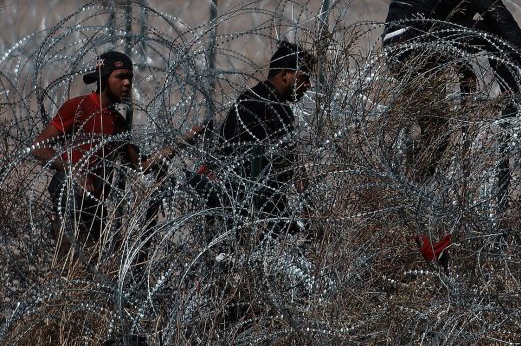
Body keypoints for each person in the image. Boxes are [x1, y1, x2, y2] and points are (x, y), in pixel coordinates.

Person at [382, 0, 521, 178]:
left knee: (437, 135)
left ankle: (409, 188)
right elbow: (499, 17)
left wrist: (462, 66)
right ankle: (511, 100)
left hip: (411, 43)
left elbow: (453, 26)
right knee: (492, 33)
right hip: (411, 42)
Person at [32, 50, 188, 252]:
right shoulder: (79, 107)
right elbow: (38, 147)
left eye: (130, 77)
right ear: (104, 78)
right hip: (69, 200)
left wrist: (184, 140)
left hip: (95, 206)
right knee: (69, 269)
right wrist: (73, 170)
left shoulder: (117, 122)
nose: (127, 83)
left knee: (91, 272)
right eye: (121, 77)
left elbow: (141, 165)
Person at [210, 41, 315, 240]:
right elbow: (292, 166)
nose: (309, 85)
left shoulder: (247, 99)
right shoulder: (277, 109)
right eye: (304, 78)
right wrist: (309, 211)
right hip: (257, 211)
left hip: (232, 203)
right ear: (286, 75)